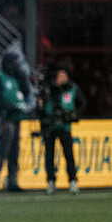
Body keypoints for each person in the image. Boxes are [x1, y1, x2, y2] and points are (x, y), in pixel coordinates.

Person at [38, 65, 86, 195]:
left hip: (64, 126)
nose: (62, 78)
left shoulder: (71, 88)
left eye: (64, 76)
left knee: (69, 155)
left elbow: (82, 103)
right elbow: (40, 107)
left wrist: (73, 114)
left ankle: (73, 181)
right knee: (49, 156)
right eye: (60, 76)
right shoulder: (48, 89)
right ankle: (51, 182)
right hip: (51, 126)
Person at [0, 54, 31, 192]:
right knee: (0, 150)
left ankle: (12, 180)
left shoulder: (18, 77)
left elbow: (26, 92)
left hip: (16, 119)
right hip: (4, 119)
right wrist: (9, 106)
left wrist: (21, 76)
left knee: (14, 151)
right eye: (15, 63)